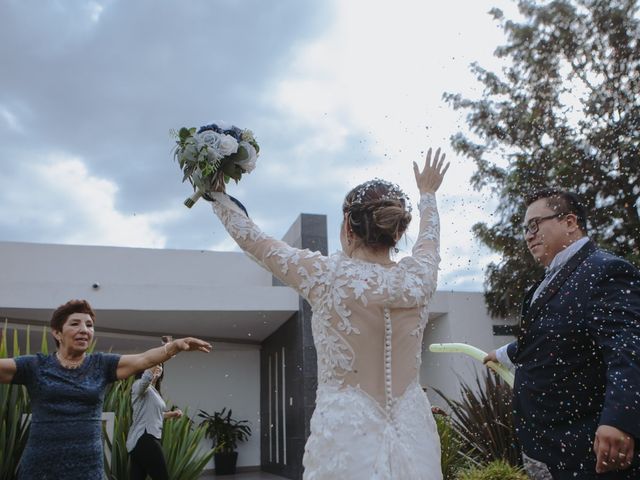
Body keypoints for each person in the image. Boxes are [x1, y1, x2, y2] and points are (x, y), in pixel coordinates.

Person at [206, 147, 449, 479]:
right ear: (397, 231)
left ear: (349, 226)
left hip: (347, 436)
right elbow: (430, 240)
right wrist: (428, 195)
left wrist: (217, 195)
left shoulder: (328, 277)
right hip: (413, 433)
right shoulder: (420, 277)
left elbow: (256, 243)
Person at [483, 189, 640, 479]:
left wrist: (620, 420)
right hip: (550, 446)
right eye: (525, 229)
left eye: (535, 225)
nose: (528, 236)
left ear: (570, 222)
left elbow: (628, 348)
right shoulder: (546, 281)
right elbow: (554, 337)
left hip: (588, 449)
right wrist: (504, 353)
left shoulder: (605, 271)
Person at [0, 299, 212, 480]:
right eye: (75, 324)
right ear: (57, 332)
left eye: (89, 325)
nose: (84, 330)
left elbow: (143, 359)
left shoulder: (101, 365)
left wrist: (174, 346)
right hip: (40, 469)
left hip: (88, 469)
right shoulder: (35, 366)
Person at [126, 362, 182, 480]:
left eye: (161, 365)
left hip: (139, 442)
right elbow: (145, 382)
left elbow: (152, 415)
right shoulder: (139, 385)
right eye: (155, 364)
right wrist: (159, 357)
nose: (158, 367)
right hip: (146, 438)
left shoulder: (153, 391)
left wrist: (172, 414)